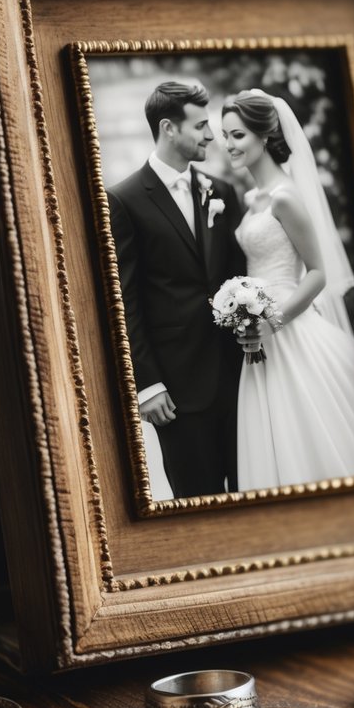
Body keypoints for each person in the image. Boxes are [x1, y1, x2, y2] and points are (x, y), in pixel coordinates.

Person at [220, 89, 354, 491]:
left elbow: (317, 273)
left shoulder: (285, 197)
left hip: (287, 327)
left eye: (237, 135)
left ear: (263, 137)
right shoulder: (253, 199)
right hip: (257, 333)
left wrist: (273, 322)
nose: (228, 144)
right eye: (225, 135)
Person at [108, 80, 245, 498]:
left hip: (241, 379)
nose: (211, 135)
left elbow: (240, 277)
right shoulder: (124, 200)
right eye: (201, 125)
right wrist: (146, 384)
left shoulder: (220, 192)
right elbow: (123, 301)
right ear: (169, 128)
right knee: (198, 500)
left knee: (251, 491)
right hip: (178, 390)